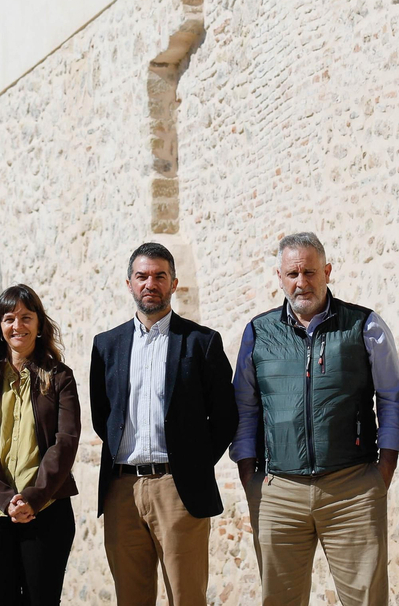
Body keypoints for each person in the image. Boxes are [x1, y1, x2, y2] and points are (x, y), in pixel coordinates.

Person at [230, 232, 399, 606]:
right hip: (279, 492)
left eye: (310, 272)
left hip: (353, 489)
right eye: (292, 273)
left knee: (366, 601)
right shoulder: (258, 333)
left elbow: (391, 397)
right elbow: (245, 408)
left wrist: (383, 470)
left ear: (327, 271)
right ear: (279, 277)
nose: (301, 282)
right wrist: (250, 478)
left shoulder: (364, 325)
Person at [89, 243, 237, 606]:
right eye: (142, 276)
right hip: (121, 490)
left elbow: (225, 417)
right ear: (129, 283)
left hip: (178, 489)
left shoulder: (201, 343)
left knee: (186, 597)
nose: (150, 283)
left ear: (174, 283)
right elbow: (101, 415)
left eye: (159, 276)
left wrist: (193, 463)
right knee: (131, 599)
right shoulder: (106, 345)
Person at [0, 284, 81, 606]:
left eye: (26, 318)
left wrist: (33, 498)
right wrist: (6, 499)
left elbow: (66, 442)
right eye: (10, 318)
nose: (18, 326)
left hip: (48, 509)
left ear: (39, 325)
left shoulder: (60, 377)